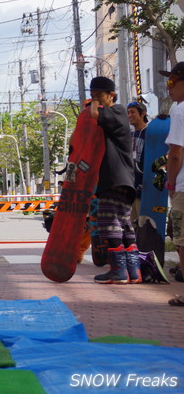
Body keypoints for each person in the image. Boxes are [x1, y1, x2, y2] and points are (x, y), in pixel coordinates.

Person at [88, 77, 141, 284]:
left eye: (99, 96)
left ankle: (118, 271)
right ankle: (133, 272)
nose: (96, 101)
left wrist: (92, 103)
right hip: (123, 179)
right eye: (93, 96)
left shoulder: (117, 110)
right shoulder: (113, 115)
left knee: (109, 223)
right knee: (124, 225)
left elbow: (93, 114)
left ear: (111, 95)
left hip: (115, 179)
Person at [161, 63, 184, 306]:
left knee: (182, 241)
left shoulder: (180, 110)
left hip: (183, 187)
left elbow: (175, 153)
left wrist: (171, 183)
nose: (168, 89)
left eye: (171, 83)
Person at [127, 100, 148, 224]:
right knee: (132, 229)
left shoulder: (151, 132)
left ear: (143, 113)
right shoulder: (129, 135)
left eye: (133, 112)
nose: (129, 115)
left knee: (144, 225)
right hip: (131, 189)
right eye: (128, 113)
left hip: (145, 189)